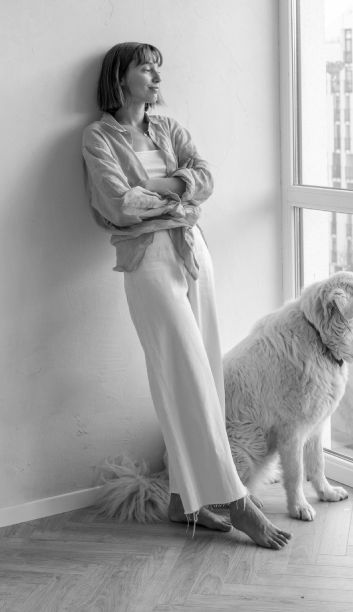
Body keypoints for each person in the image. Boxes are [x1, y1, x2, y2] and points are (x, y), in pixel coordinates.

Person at [82, 41, 292, 549]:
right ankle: (234, 499)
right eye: (145, 68)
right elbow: (119, 202)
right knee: (184, 374)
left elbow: (205, 177)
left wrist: (167, 194)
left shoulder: (168, 129)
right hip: (147, 260)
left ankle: (183, 495)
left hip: (193, 251)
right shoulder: (98, 138)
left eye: (158, 68)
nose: (156, 76)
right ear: (119, 77)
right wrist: (178, 197)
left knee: (208, 375)